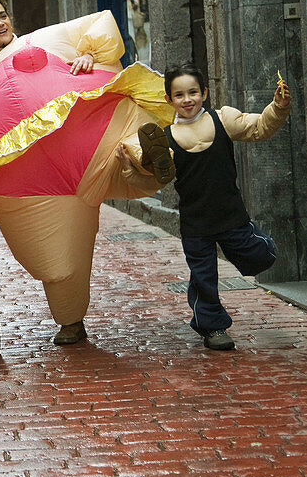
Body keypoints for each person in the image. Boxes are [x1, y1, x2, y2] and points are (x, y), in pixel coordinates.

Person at [0, 0, 175, 346]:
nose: (0, 23)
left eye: (3, 15)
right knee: (58, 263)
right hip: (33, 186)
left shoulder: (46, 39)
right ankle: (71, 322)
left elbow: (98, 23)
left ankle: (150, 157)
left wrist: (91, 53)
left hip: (86, 139)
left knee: (124, 149)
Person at [119, 62, 291, 350]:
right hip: (195, 223)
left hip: (231, 216)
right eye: (179, 95)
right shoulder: (167, 141)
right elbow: (151, 183)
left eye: (193, 92)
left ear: (205, 93)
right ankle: (212, 328)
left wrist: (278, 106)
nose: (187, 100)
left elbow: (261, 127)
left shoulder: (223, 119)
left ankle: (259, 248)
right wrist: (128, 169)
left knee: (262, 256)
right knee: (203, 277)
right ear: (168, 100)